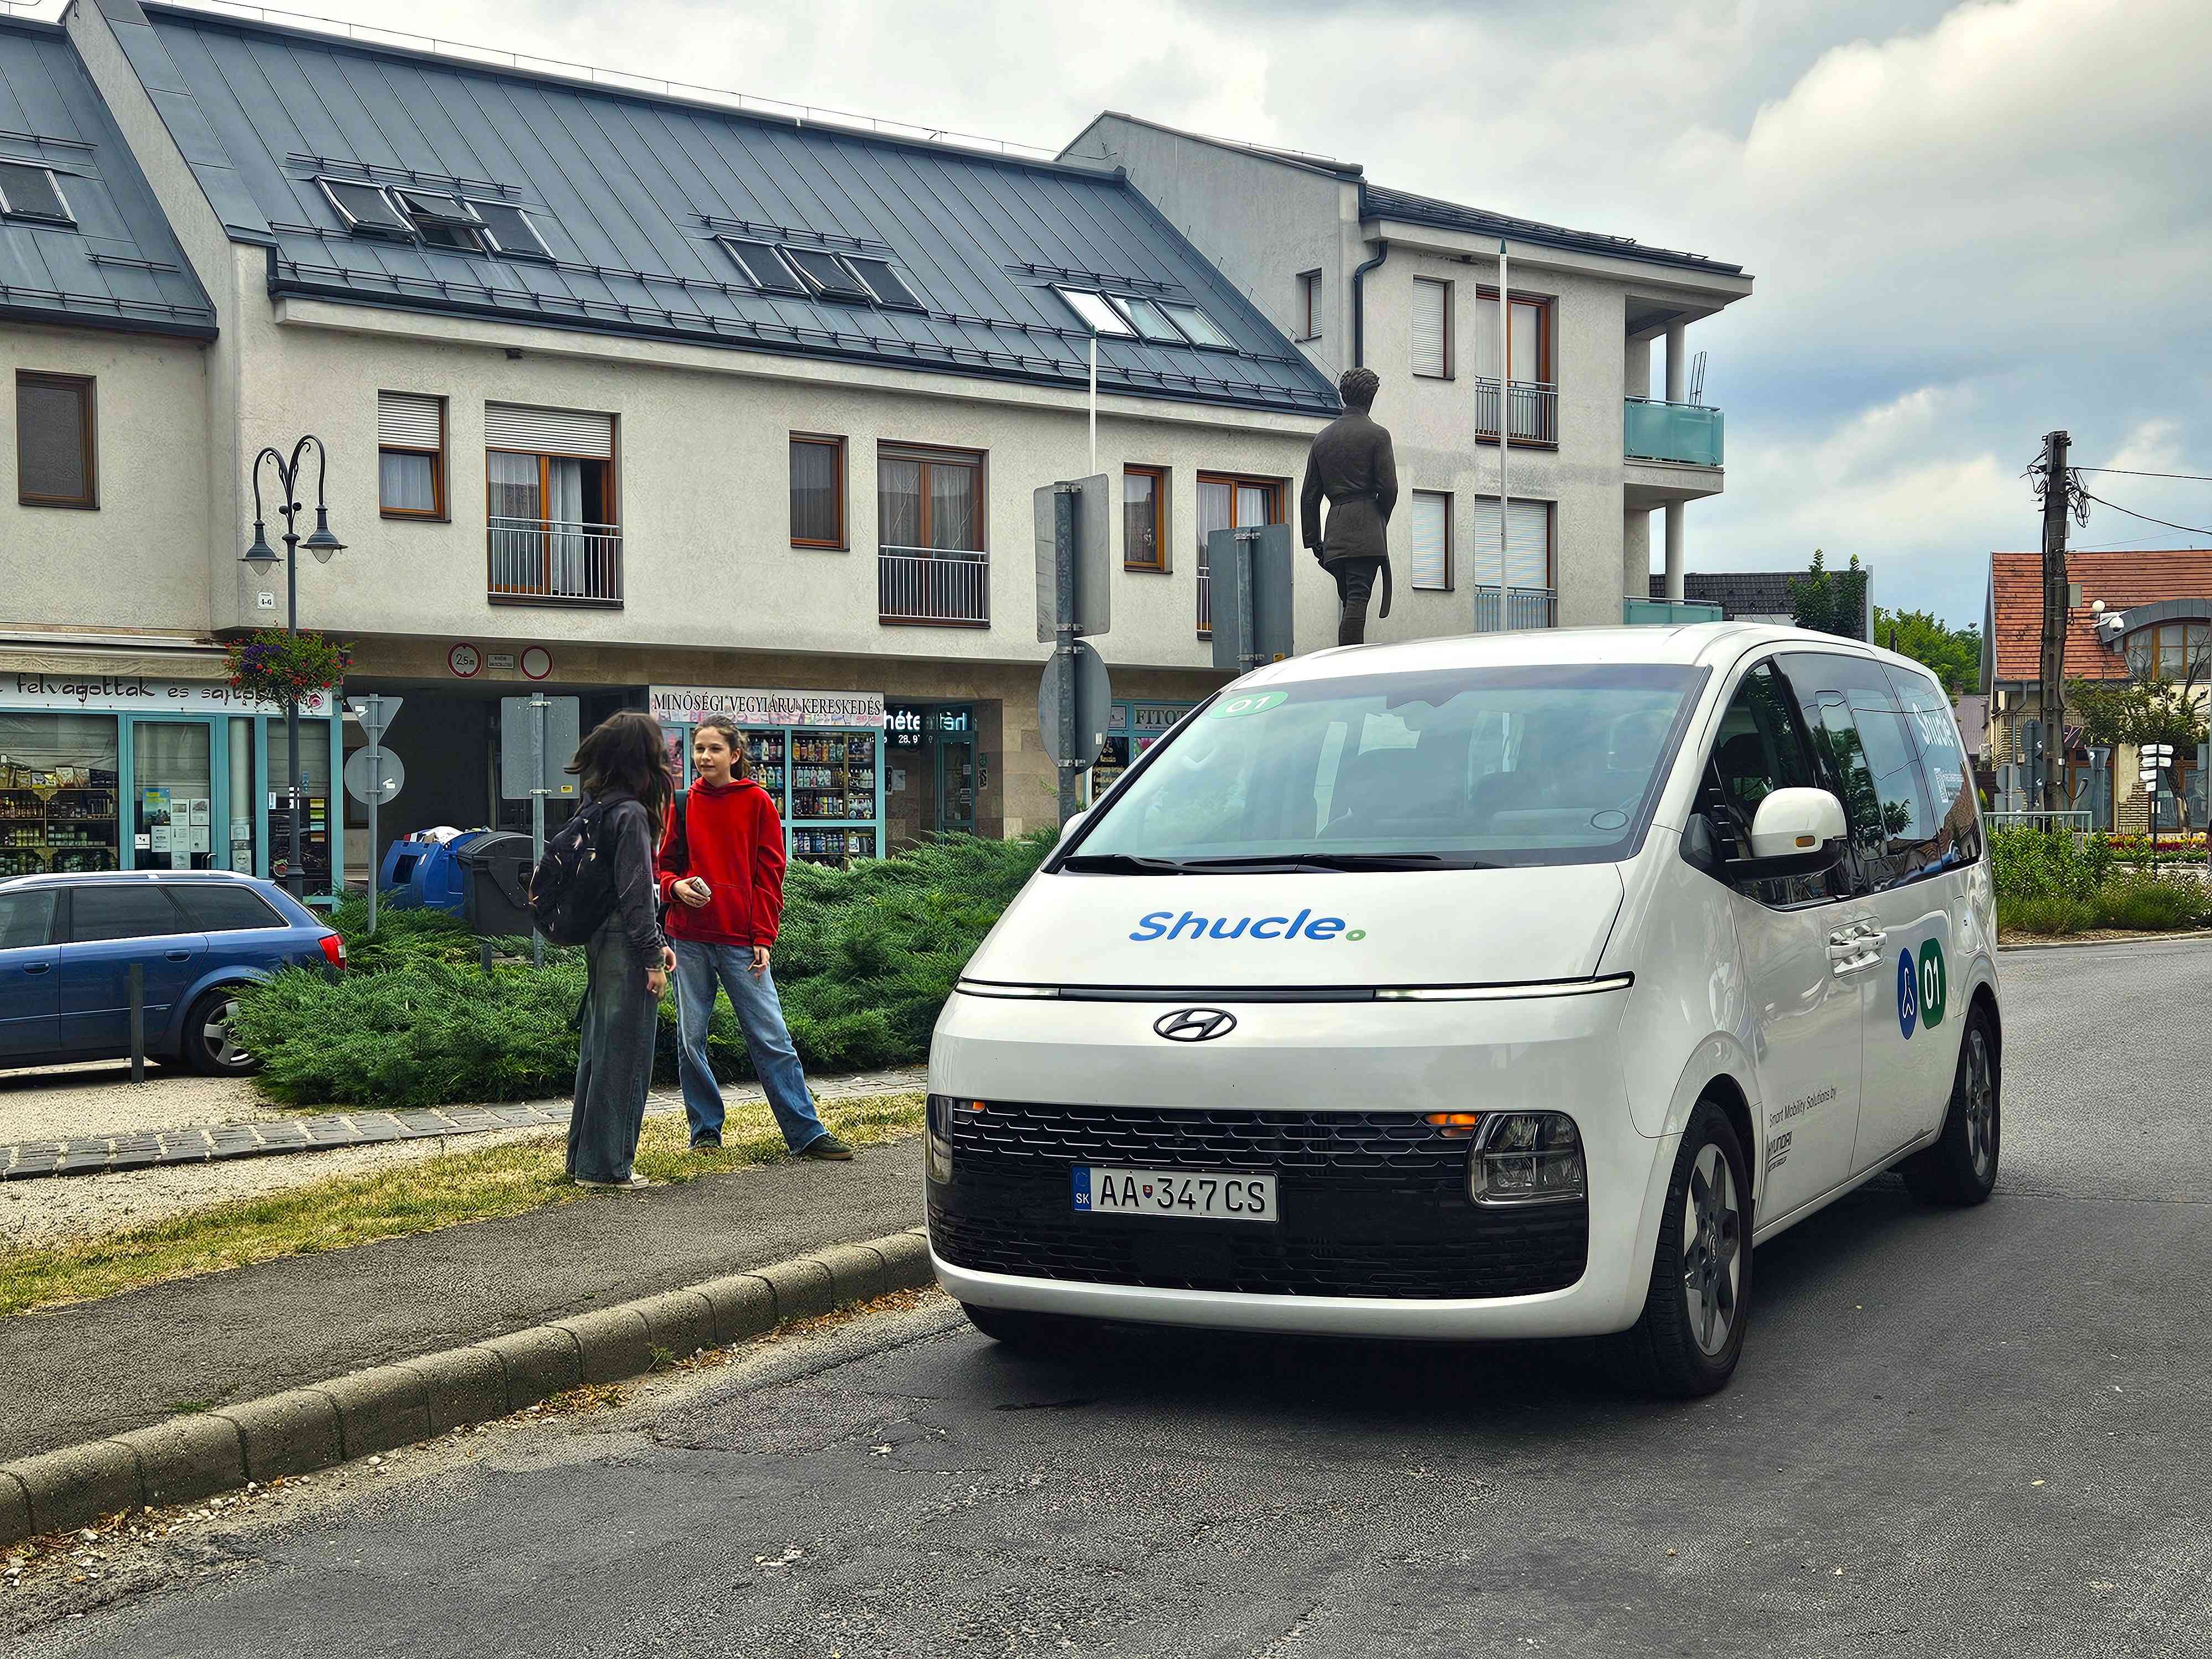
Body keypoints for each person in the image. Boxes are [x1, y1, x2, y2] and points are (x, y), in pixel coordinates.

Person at [658, 714, 852, 1160]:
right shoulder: (682, 803)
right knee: (691, 1040)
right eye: (699, 749)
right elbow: (663, 866)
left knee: (771, 1037)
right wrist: (675, 888)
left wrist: (764, 936)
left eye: (714, 749)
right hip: (688, 937)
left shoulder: (757, 803)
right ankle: (705, 1130)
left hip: (741, 941)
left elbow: (771, 875)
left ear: (735, 755)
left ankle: (806, 1134)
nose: (705, 757)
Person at [565, 709, 676, 1190]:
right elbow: (635, 896)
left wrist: (658, 944)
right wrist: (653, 956)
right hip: (625, 942)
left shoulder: (596, 807)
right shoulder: (630, 815)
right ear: (642, 757)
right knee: (626, 1056)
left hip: (599, 937)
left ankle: (583, 1161)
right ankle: (608, 1167)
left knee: (598, 1051)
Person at [1300, 366, 1399, 646]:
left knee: (1349, 599)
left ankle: (1347, 657)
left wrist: (1314, 542)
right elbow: (1389, 488)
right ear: (1371, 398)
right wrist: (1380, 517)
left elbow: (1310, 496)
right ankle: (1348, 662)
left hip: (1335, 532)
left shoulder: (1323, 439)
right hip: (1364, 529)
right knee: (1357, 598)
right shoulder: (1378, 436)